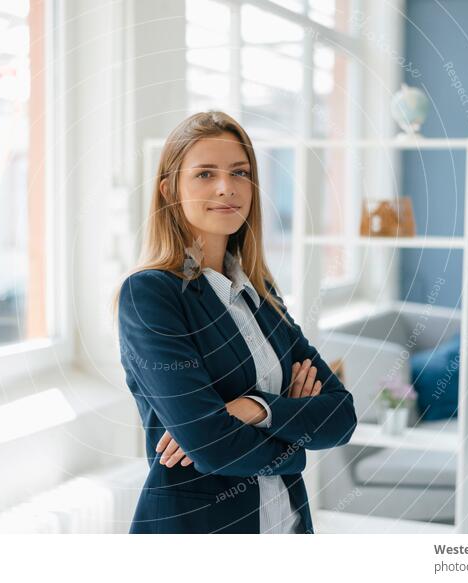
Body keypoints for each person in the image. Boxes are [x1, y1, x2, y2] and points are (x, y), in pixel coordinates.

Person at [114, 111, 357, 534]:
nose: (226, 187)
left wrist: (251, 408)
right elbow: (212, 445)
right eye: (205, 174)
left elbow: (341, 414)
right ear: (169, 189)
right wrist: (295, 435)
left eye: (239, 172)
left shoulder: (261, 293)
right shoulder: (151, 294)